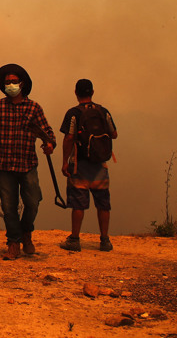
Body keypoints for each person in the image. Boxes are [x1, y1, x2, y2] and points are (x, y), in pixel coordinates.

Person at [0, 63, 56, 260]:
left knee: (33, 202)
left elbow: (48, 134)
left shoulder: (33, 108)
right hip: (4, 164)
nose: (10, 85)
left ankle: (26, 232)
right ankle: (13, 243)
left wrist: (50, 145)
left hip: (27, 164)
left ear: (22, 84)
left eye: (14, 81)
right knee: (9, 207)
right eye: (7, 82)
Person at [58, 79, 118, 252]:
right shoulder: (103, 111)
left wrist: (64, 162)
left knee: (78, 204)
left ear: (76, 93)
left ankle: (75, 239)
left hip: (79, 164)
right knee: (103, 203)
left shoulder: (73, 113)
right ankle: (105, 240)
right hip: (100, 164)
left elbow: (69, 138)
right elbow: (114, 134)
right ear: (92, 92)